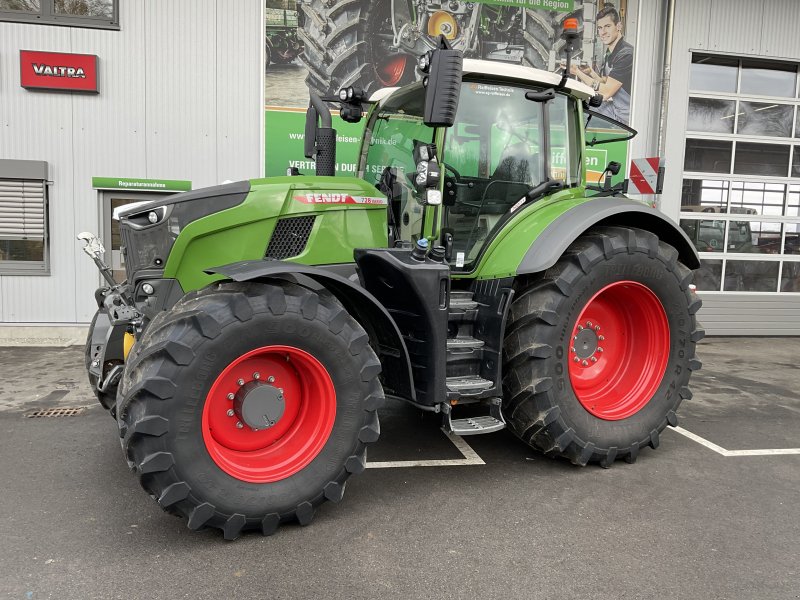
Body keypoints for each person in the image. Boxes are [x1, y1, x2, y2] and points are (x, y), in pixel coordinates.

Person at [570, 6, 634, 124]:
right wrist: (591, 73)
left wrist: (577, 73)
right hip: (616, 108)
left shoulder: (626, 55)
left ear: (619, 26)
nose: (602, 32)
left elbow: (605, 93)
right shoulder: (612, 52)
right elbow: (608, 81)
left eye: (607, 26)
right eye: (600, 28)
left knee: (578, 115)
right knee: (580, 106)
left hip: (626, 117)